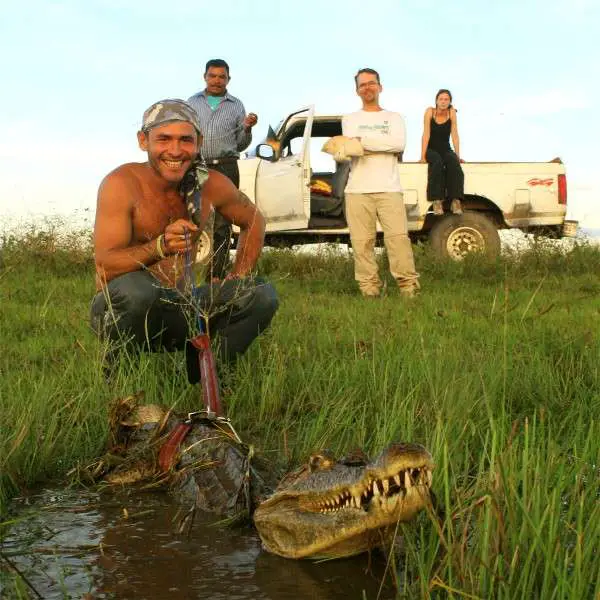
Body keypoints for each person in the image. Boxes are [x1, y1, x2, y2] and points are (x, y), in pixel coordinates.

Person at [90, 99, 278, 374]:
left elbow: (253, 220)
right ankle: (119, 381)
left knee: (260, 294)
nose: (175, 151)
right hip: (122, 311)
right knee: (137, 291)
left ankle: (207, 374)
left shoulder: (210, 183)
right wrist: (159, 246)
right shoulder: (121, 183)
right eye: (163, 139)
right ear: (143, 141)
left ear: (199, 142)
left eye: (185, 140)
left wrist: (239, 275)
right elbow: (106, 266)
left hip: (182, 308)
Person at [341, 68, 420, 298]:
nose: (367, 87)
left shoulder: (394, 118)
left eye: (371, 83)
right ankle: (369, 290)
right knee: (362, 243)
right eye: (362, 84)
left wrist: (363, 141)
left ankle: (408, 288)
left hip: (389, 189)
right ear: (357, 91)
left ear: (380, 86)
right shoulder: (350, 119)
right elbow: (352, 150)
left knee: (398, 241)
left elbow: (398, 145)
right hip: (357, 190)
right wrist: (372, 144)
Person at [188, 59, 258, 279]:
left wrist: (247, 128)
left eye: (222, 76)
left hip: (227, 166)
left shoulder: (236, 105)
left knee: (222, 224)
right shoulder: (192, 102)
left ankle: (215, 275)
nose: (217, 80)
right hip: (198, 165)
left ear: (228, 79)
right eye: (213, 76)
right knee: (192, 219)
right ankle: (185, 273)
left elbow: (241, 144)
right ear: (205, 77)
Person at [420, 89, 464, 216]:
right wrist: (423, 156)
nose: (443, 102)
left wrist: (457, 155)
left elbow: (455, 135)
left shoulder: (452, 113)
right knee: (437, 163)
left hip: (445, 148)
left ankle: (455, 200)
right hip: (431, 149)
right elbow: (426, 134)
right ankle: (437, 201)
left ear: (450, 102)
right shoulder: (430, 111)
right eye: (441, 99)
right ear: (436, 101)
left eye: (446, 99)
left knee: (454, 163)